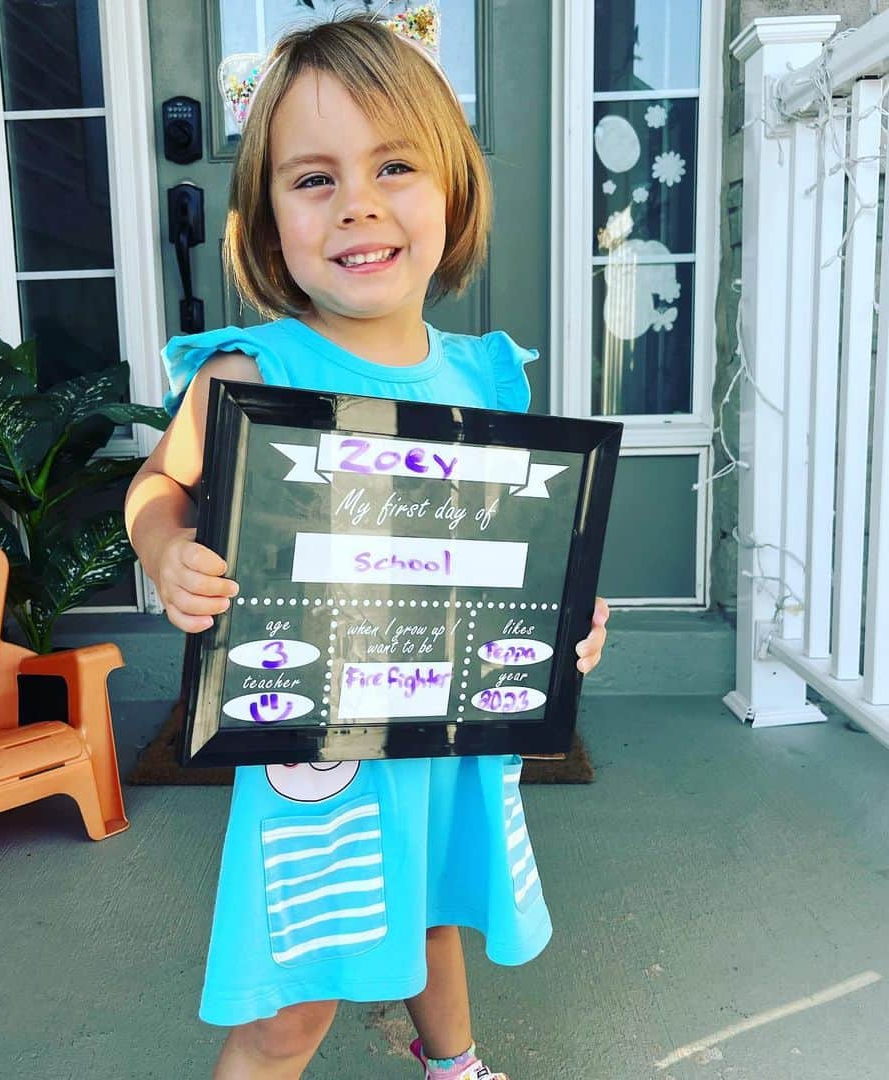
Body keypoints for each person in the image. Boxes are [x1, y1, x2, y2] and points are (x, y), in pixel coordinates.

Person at [125, 12, 609, 1079]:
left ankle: (455, 1067)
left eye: (395, 165)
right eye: (312, 178)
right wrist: (164, 548)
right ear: (264, 218)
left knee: (436, 910)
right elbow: (160, 483)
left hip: (447, 723)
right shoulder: (249, 373)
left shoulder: (487, 378)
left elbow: (527, 543)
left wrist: (568, 617)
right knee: (294, 1000)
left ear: (452, 189)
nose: (358, 203)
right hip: (319, 749)